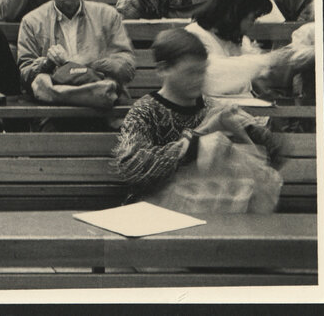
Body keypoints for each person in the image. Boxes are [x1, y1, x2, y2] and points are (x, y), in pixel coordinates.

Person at [113, 28, 282, 199]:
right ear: (163, 69)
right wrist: (199, 136)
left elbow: (274, 154)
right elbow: (132, 167)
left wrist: (248, 130)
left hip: (210, 211)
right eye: (190, 72)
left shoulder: (213, 107)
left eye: (202, 71)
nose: (198, 79)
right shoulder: (144, 111)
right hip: (156, 211)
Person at [17, 0, 135, 106]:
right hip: (54, 108)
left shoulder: (107, 15)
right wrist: (47, 63)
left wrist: (90, 62)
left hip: (103, 105)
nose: (69, 1)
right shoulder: (32, 21)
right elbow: (24, 75)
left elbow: (128, 68)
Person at [184, 0, 282, 101]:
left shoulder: (236, 37)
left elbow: (253, 77)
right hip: (211, 108)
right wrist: (265, 60)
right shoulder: (194, 36)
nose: (253, 23)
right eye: (253, 18)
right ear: (235, 14)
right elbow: (213, 79)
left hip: (241, 105)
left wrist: (264, 92)